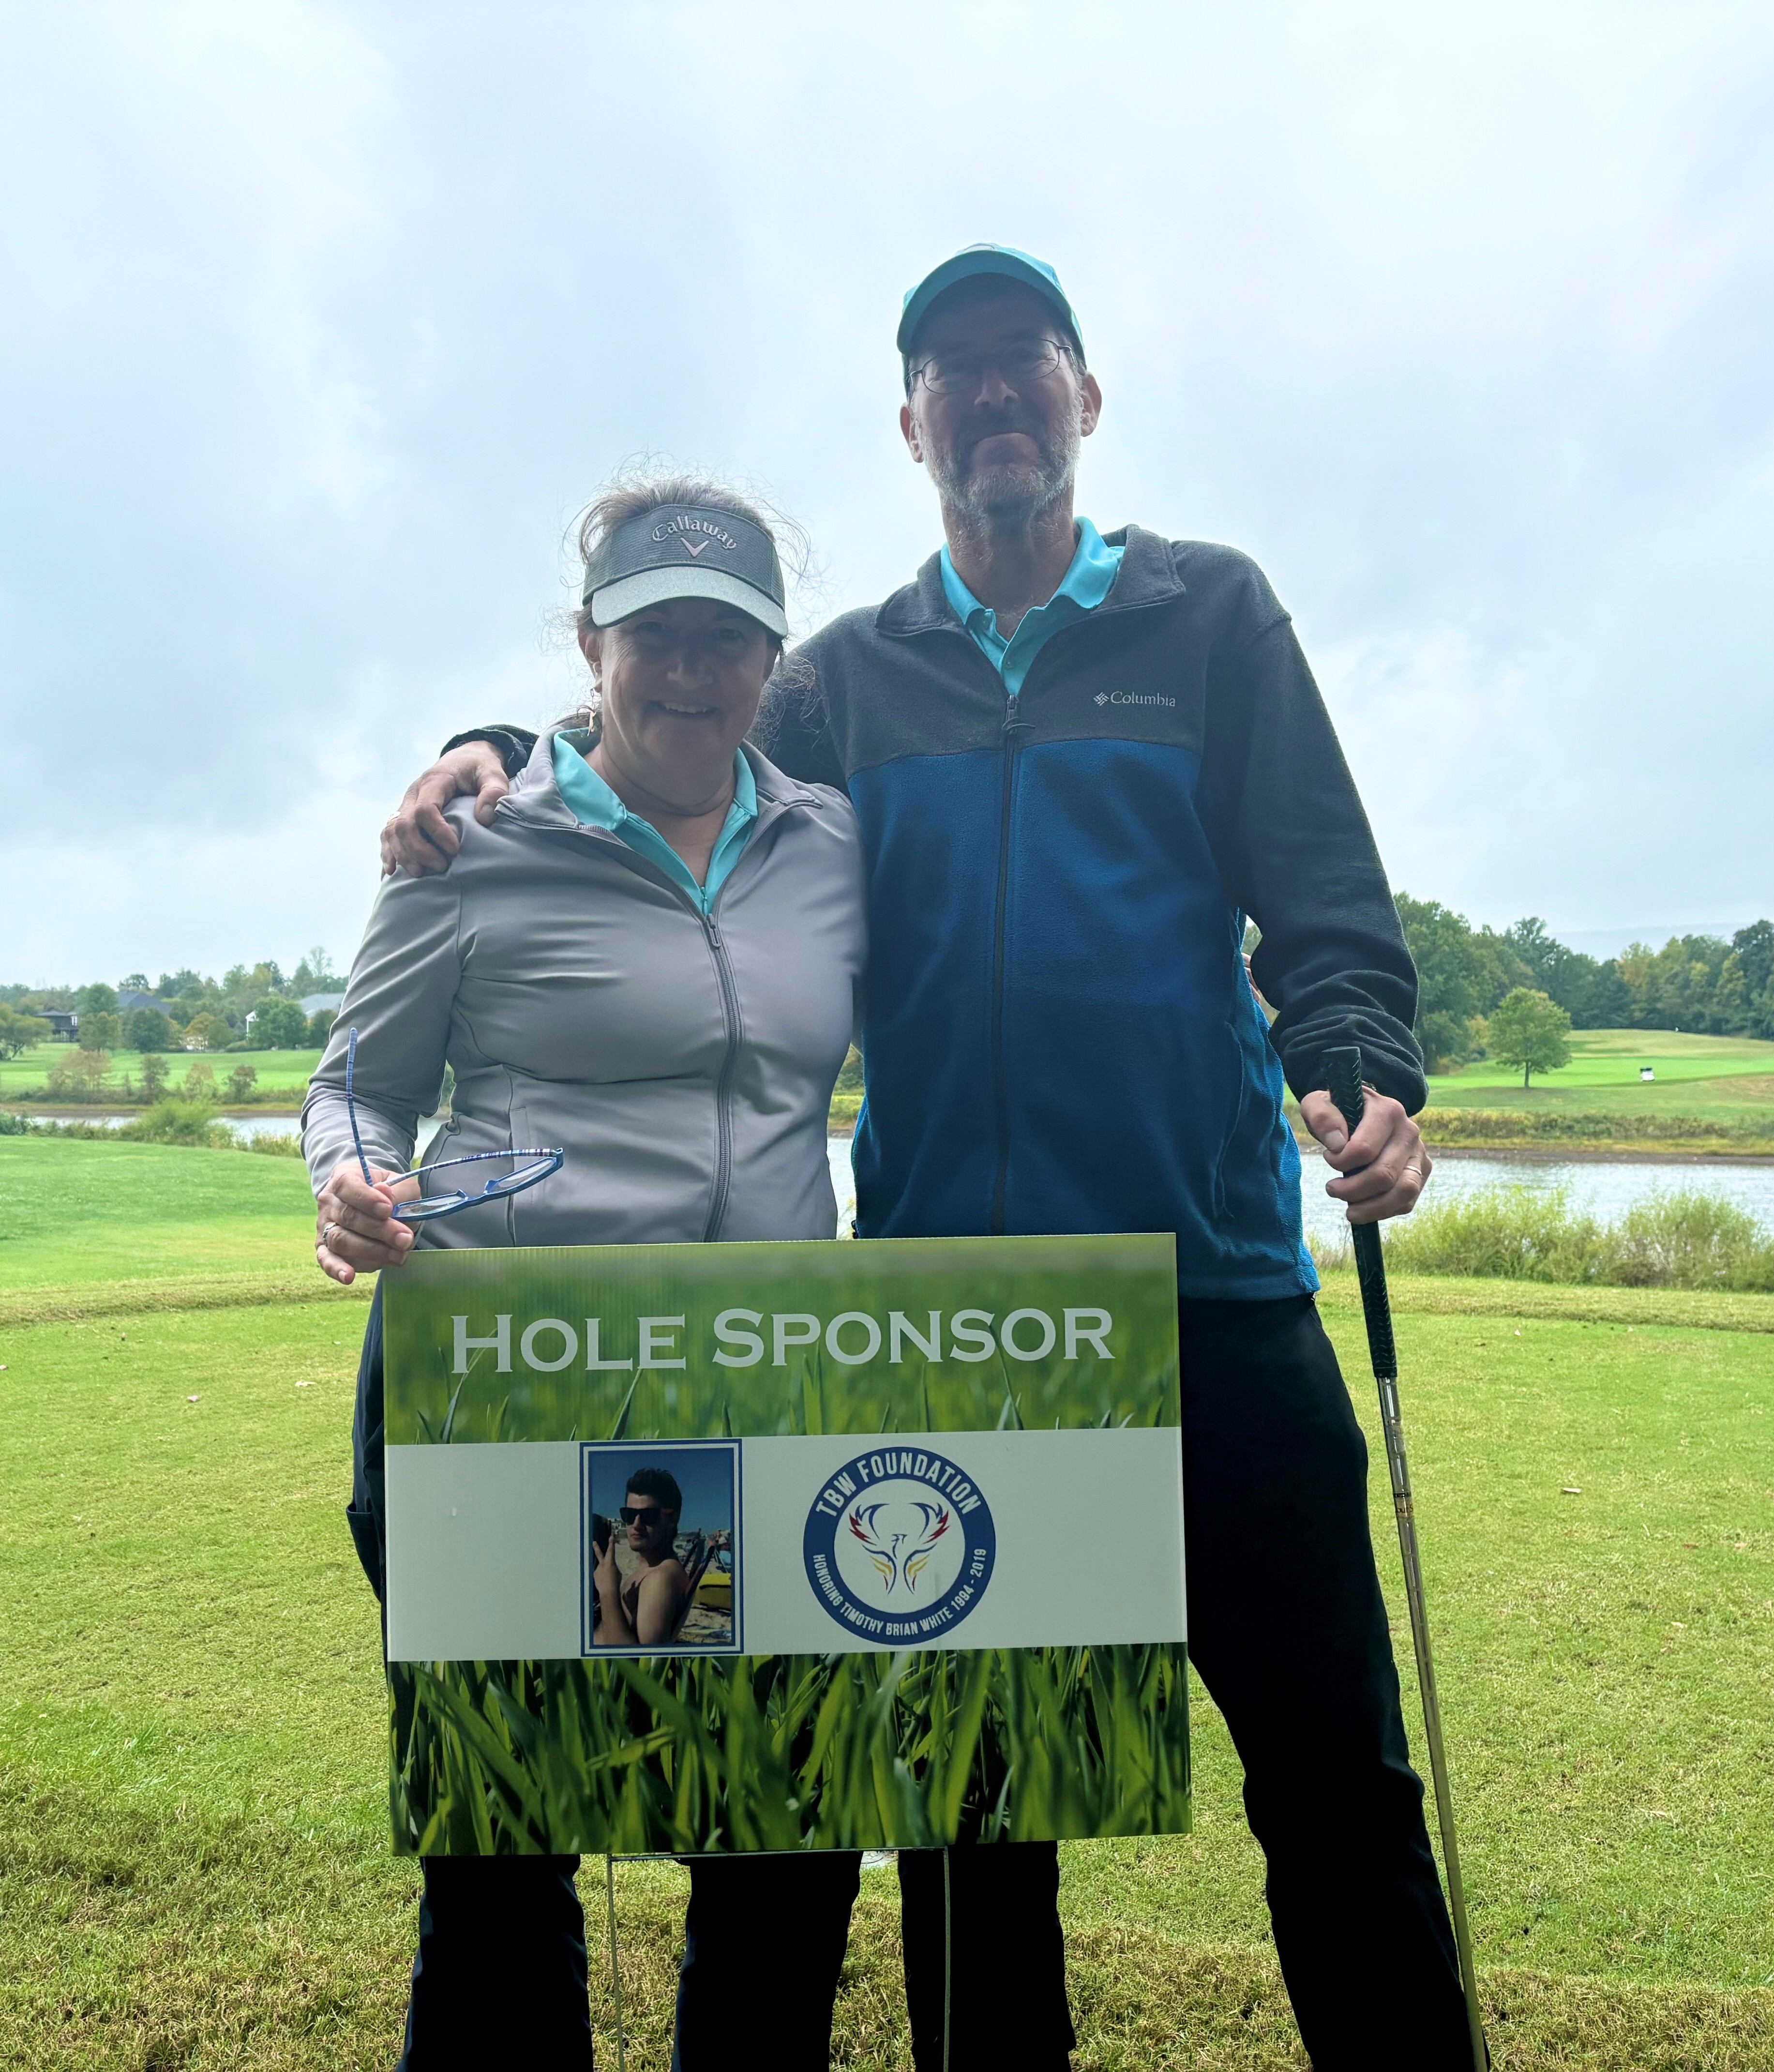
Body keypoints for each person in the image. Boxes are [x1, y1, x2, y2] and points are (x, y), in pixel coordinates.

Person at [383, 246, 1467, 2072]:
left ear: (1081, 396)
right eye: (948, 372)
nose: (988, 394)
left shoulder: (1208, 614)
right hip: (962, 1332)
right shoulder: (845, 678)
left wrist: (1355, 1068)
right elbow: (663, 735)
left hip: (1209, 1293)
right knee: (978, 1821)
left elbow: (1323, 900)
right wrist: (491, 744)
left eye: (1020, 358)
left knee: (1335, 1786)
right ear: (911, 426)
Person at [303, 474, 867, 2070]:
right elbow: (357, 1085)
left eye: (724, 638)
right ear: (589, 644)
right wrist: (351, 1181)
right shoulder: (473, 844)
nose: (688, 669)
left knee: (780, 1832)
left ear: (772, 662)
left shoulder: (832, 844)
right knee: (507, 1844)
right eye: (651, 634)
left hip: (748, 1404)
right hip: (504, 1405)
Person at [594, 1468, 688, 1648]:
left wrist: (608, 1591)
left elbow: (641, 1660)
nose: (636, 1525)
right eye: (629, 1515)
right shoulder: (650, 1567)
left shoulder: (659, 1579)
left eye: (648, 1516)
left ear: (673, 1518)